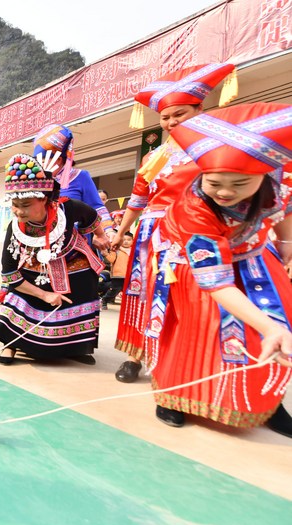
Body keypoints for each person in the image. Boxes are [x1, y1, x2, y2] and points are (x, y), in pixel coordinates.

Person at [144, 102, 292, 437]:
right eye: (215, 183)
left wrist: (286, 245)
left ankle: (266, 402)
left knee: (273, 322)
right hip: (193, 266)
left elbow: (285, 209)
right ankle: (174, 397)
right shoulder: (194, 210)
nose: (225, 193)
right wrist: (269, 328)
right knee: (197, 330)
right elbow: (217, 283)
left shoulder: (280, 178)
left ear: (264, 175)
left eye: (239, 184)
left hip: (253, 254)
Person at [111, 62, 236, 383]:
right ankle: (134, 356)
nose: (171, 122)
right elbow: (138, 199)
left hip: (198, 233)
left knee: (194, 297)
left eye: (179, 114)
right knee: (144, 294)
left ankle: (181, 363)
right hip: (152, 237)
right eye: (165, 117)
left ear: (200, 108)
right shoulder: (155, 158)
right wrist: (121, 232)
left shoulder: (215, 150)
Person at [0, 153, 107, 365]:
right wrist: (44, 295)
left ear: (44, 199)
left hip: (73, 262)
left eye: (25, 204)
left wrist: (101, 236)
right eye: (14, 204)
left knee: (84, 285)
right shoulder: (14, 228)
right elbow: (9, 273)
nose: (18, 211)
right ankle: (12, 343)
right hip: (36, 269)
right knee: (21, 293)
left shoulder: (68, 208)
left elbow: (91, 217)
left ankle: (75, 346)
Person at [33, 124, 115, 246]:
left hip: (76, 243)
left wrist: (108, 231)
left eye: (43, 160)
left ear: (59, 160)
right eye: (37, 160)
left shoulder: (80, 176)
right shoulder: (35, 182)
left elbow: (97, 207)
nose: (38, 165)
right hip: (41, 241)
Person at [101, 232, 132, 309]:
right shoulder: (116, 250)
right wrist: (106, 254)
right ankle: (104, 300)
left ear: (133, 241)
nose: (126, 241)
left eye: (129, 240)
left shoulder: (134, 250)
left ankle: (128, 305)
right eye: (124, 239)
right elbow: (111, 260)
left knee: (130, 290)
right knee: (114, 290)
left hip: (130, 275)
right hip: (118, 274)